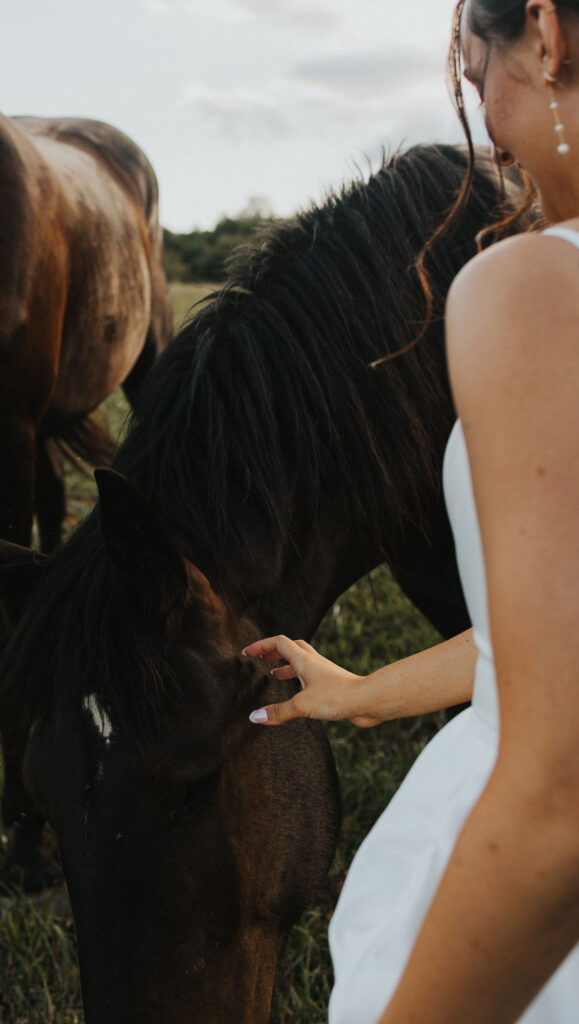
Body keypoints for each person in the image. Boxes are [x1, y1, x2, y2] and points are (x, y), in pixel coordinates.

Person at [242, 1, 579, 1021]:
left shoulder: (531, 288)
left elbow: (557, 797)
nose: (488, 137)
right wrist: (363, 693)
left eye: (477, 84)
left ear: (542, 34)